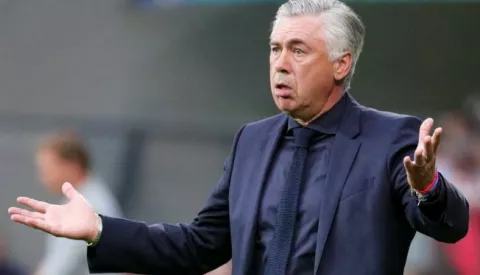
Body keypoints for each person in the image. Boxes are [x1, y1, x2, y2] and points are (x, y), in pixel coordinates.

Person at [8, 0, 469, 274]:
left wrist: (428, 187)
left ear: (341, 64)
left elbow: (450, 225)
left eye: (298, 50)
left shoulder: (393, 138)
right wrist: (100, 230)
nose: (280, 63)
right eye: (275, 49)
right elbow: (196, 246)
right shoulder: (252, 142)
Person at [32, 131, 123, 275]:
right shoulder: (87, 196)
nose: (43, 178)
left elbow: (58, 269)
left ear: (72, 164)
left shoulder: (89, 204)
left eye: (47, 169)